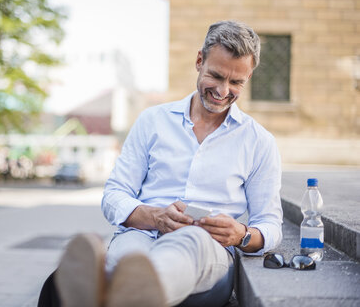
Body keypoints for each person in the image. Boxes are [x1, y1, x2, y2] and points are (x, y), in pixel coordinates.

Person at [53, 20, 283, 307]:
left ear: (248, 77)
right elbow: (113, 196)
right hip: (140, 234)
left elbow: (270, 224)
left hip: (206, 252)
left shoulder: (259, 141)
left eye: (236, 82)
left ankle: (114, 290)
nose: (223, 92)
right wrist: (154, 217)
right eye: (216, 76)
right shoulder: (153, 121)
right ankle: (117, 288)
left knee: (189, 243)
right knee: (129, 253)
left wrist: (243, 234)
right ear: (199, 61)